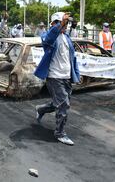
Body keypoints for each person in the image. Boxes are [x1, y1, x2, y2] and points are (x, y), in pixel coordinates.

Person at [34, 12, 80, 146]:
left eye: (65, 23)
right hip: (54, 77)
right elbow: (49, 37)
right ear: (54, 23)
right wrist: (61, 23)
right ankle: (60, 133)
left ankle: (41, 109)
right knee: (64, 105)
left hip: (66, 77)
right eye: (61, 23)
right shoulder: (47, 37)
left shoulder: (66, 37)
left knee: (58, 104)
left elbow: (73, 57)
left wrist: (76, 74)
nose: (65, 26)